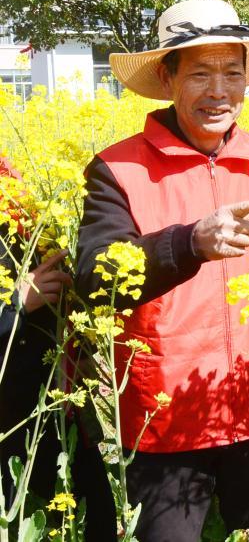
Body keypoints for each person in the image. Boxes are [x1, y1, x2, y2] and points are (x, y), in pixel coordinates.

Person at [74, 0, 249, 542]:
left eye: (232, 73)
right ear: (168, 77)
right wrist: (188, 242)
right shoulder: (117, 169)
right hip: (166, 420)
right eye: (199, 73)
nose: (218, 91)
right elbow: (96, 278)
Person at [0, 158, 115, 538]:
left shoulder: (14, 189)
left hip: (51, 398)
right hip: (8, 417)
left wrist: (80, 347)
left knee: (95, 508)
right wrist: (12, 305)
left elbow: (53, 276)